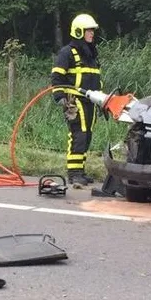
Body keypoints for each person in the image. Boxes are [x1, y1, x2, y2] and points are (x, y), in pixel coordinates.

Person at [51, 13, 103, 187]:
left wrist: (101, 99)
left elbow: (96, 79)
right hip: (74, 101)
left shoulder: (91, 54)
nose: (92, 34)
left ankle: (80, 171)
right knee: (78, 135)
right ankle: (73, 173)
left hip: (91, 101)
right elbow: (57, 77)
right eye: (89, 30)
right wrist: (60, 98)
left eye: (92, 31)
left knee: (87, 136)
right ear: (79, 31)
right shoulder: (67, 53)